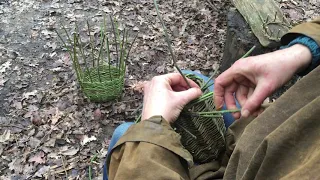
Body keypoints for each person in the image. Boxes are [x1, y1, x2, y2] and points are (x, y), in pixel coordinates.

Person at [104, 18, 320, 179]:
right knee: (192, 78)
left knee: (124, 135)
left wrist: (150, 131)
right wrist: (301, 52)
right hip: (263, 132)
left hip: (244, 164)